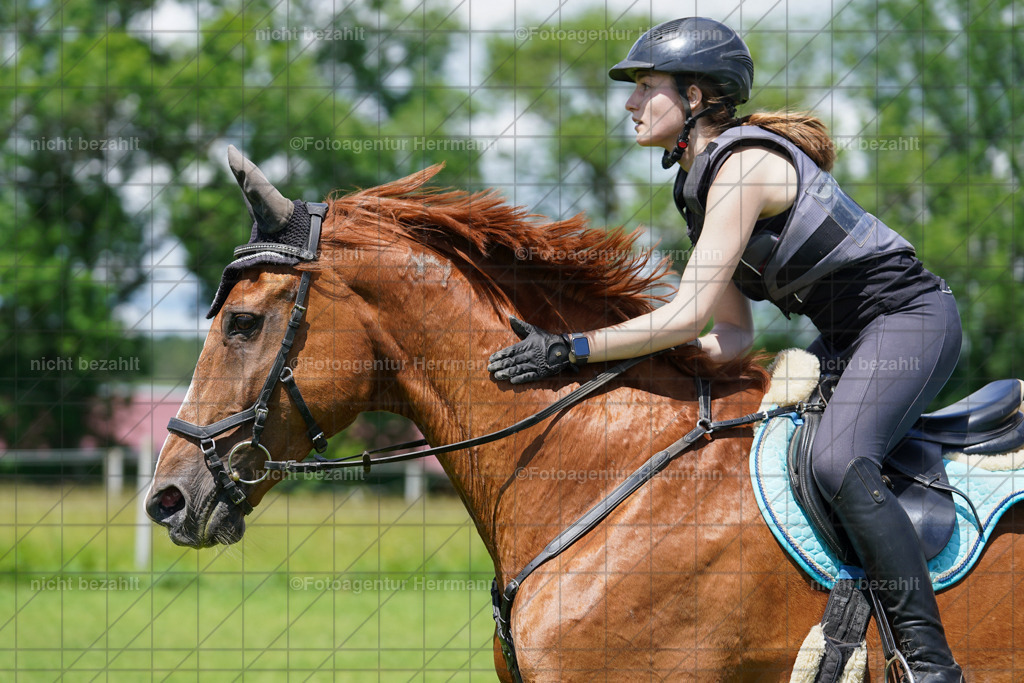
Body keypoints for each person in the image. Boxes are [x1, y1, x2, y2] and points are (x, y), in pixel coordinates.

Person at [486, 16, 964, 682]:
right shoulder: (698, 185)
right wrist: (637, 370)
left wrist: (574, 349)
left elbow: (685, 317)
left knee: (834, 460)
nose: (628, 102)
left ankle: (930, 664)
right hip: (847, 341)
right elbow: (732, 335)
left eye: (644, 86)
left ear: (694, 97)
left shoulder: (741, 167)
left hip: (909, 319)